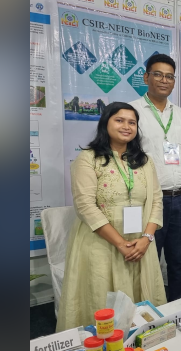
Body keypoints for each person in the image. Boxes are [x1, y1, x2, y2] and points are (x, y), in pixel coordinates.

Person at [57, 102, 166, 331]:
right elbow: (85, 206)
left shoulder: (144, 161)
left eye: (132, 122)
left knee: (141, 303)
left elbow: (156, 200)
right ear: (105, 123)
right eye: (119, 120)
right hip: (102, 245)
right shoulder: (88, 159)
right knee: (101, 301)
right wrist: (120, 244)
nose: (126, 126)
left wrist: (146, 238)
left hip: (139, 243)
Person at [129, 54, 181, 301]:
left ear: (174, 81)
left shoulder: (179, 114)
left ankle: (179, 309)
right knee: (149, 261)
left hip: (180, 198)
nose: (163, 80)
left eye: (169, 76)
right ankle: (148, 313)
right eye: (158, 74)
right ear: (146, 77)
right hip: (148, 201)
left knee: (178, 260)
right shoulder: (132, 111)